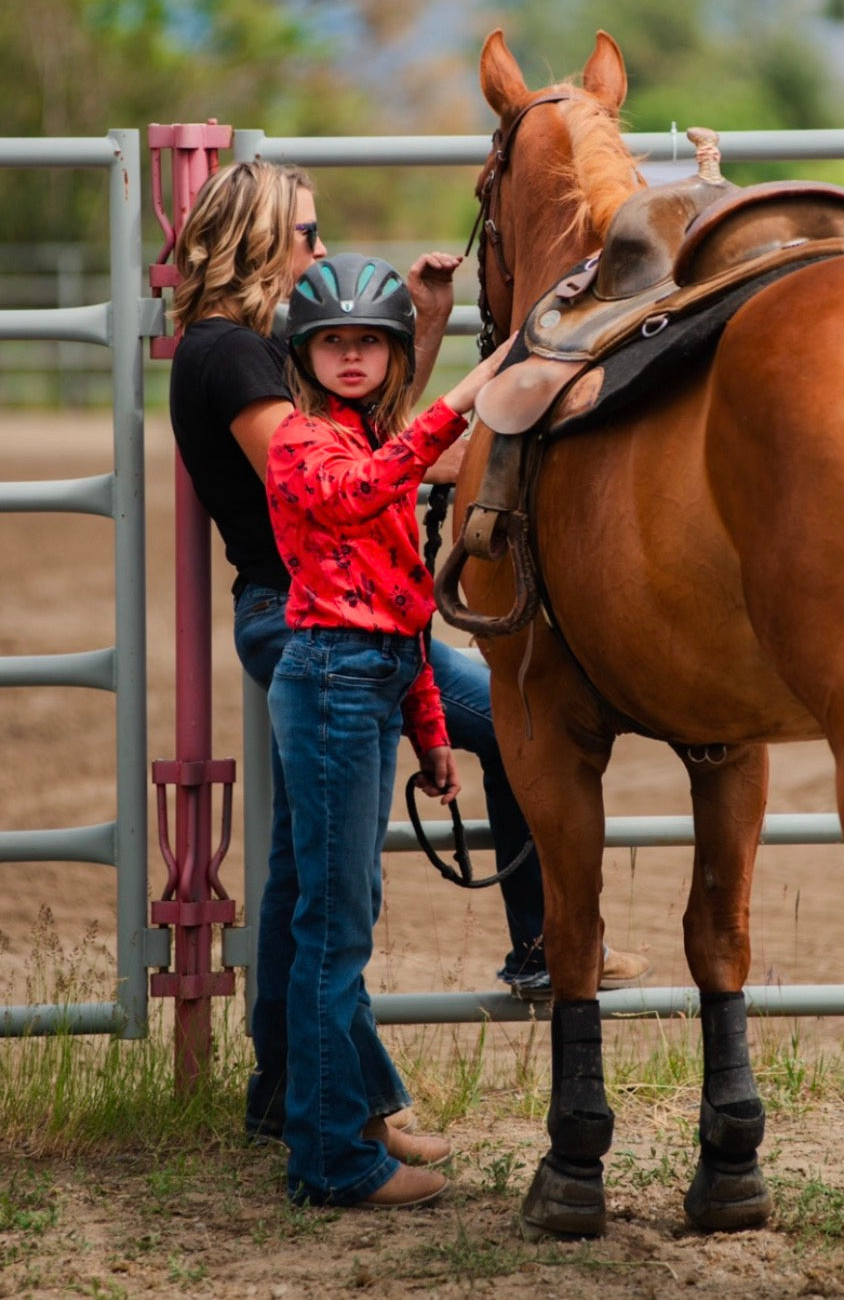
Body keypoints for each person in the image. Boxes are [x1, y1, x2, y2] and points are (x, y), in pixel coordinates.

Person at [166, 160, 646, 1147]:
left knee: (306, 881)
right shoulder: (234, 359)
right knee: (364, 872)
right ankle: (519, 966)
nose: (317, 246)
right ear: (258, 238)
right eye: (304, 231)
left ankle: (292, 1089)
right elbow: (341, 487)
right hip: (310, 617)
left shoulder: (240, 351)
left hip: (328, 610)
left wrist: (422, 325)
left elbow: (367, 437)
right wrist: (481, 378)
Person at [265, 253, 517, 1206]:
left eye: (371, 341)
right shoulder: (302, 443)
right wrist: (462, 396)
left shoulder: (362, 435)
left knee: (343, 917)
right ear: (307, 352)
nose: (353, 356)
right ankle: (330, 1161)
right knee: (333, 930)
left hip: (367, 676)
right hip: (330, 676)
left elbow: (406, 599)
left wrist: (430, 731)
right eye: (335, 341)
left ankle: (353, 1119)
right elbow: (359, 492)